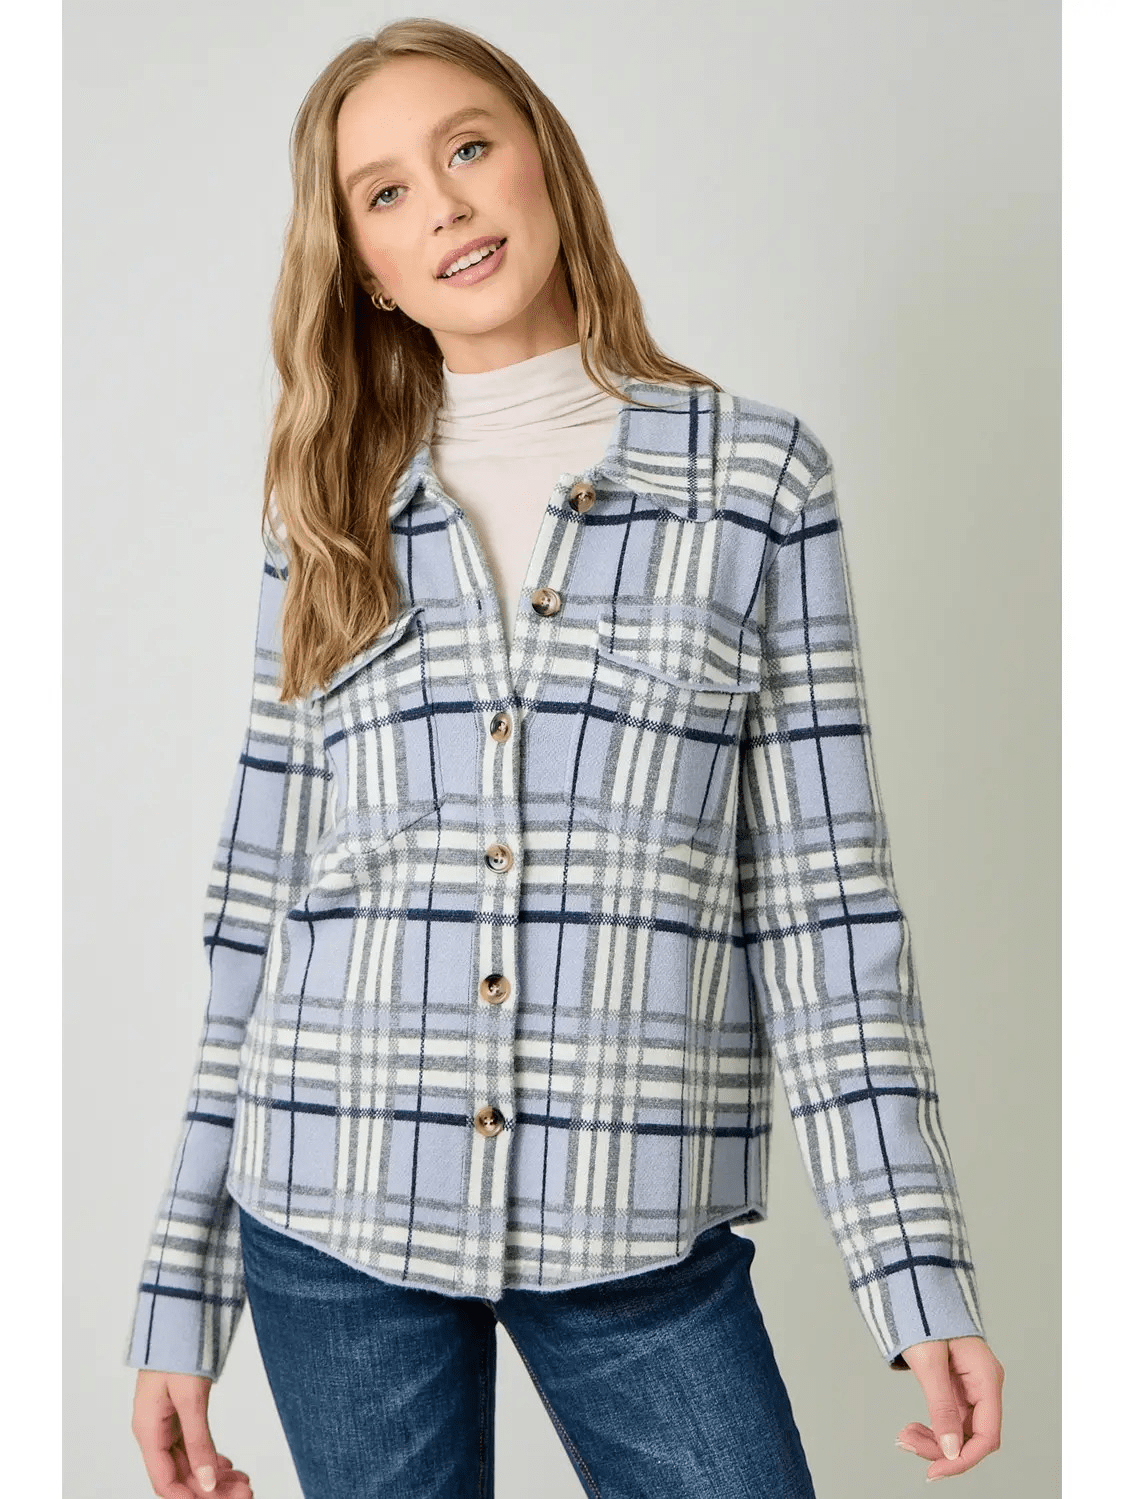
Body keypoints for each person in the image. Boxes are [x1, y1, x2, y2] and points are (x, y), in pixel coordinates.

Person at [125, 18, 1004, 1499]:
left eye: (467, 147)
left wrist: (916, 1271)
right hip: (331, 1207)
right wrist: (179, 1295)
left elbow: (825, 906)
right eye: (386, 192)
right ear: (363, 265)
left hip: (636, 1222)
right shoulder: (326, 507)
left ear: (544, 160)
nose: (445, 205)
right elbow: (256, 900)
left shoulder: (753, 482)